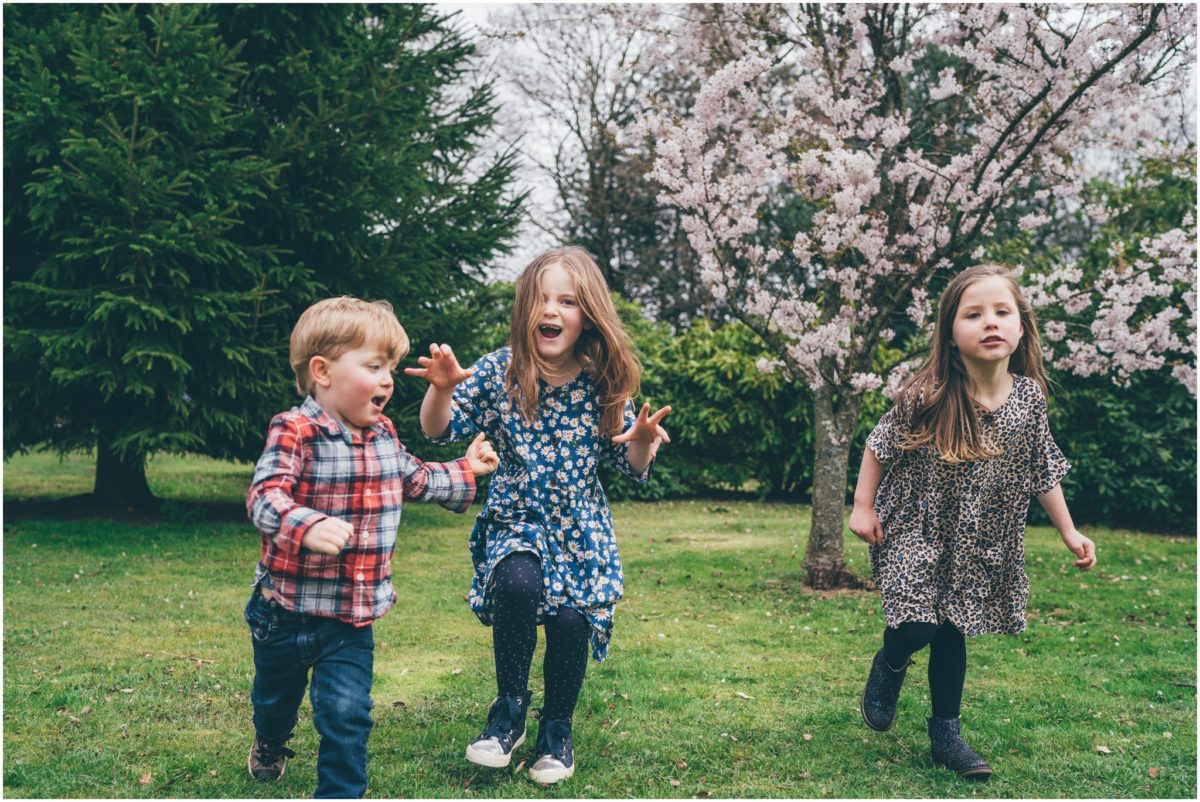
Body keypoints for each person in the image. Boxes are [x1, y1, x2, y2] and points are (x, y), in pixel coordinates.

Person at [407, 246, 670, 784]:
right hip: (516, 517)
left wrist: (642, 440)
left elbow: (630, 461)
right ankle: (508, 712)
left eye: (568, 301)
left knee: (572, 622)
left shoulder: (601, 380)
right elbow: (438, 429)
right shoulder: (501, 371)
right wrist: (440, 389)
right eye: (543, 299)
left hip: (580, 529)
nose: (553, 310)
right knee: (520, 583)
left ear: (587, 314)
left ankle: (556, 729)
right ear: (526, 307)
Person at [244, 296, 498, 798]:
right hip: (284, 612)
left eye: (392, 368)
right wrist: (305, 524)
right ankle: (270, 740)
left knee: (347, 715)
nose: (387, 380)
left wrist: (467, 470)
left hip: (349, 618)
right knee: (275, 700)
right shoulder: (295, 429)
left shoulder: (382, 433)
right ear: (322, 371)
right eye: (374, 366)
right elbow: (263, 495)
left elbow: (416, 477)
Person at [850, 264, 1097, 779]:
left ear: (1022, 327)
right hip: (915, 527)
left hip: (979, 538)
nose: (991, 323)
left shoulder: (1028, 400)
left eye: (1002, 312)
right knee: (918, 622)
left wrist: (1070, 532)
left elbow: (1042, 470)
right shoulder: (930, 392)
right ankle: (891, 662)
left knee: (951, 629)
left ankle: (947, 736)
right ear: (950, 331)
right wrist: (862, 506)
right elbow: (879, 445)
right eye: (974, 314)